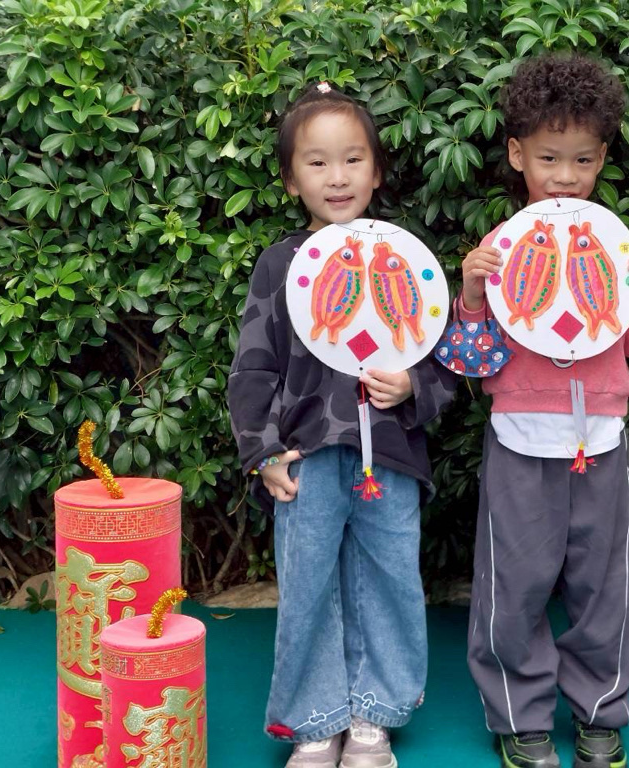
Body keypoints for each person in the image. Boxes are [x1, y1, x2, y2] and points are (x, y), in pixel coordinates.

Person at [228, 82, 456, 768]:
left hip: (391, 456)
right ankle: (315, 720)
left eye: (353, 159)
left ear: (376, 171)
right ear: (290, 177)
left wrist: (413, 385)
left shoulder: (407, 258)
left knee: (391, 580)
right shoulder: (280, 264)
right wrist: (264, 452)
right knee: (307, 586)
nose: (337, 177)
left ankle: (373, 717)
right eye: (317, 162)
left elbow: (445, 362)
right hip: (306, 458)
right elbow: (253, 368)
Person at [459, 54, 629, 768]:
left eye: (582, 159)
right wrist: (472, 295)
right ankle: (519, 717)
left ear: (603, 159)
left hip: (601, 442)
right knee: (512, 586)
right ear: (517, 154)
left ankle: (600, 712)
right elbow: (472, 359)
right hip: (519, 443)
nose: (564, 175)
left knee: (606, 589)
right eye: (549, 157)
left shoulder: (614, 245)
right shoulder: (499, 250)